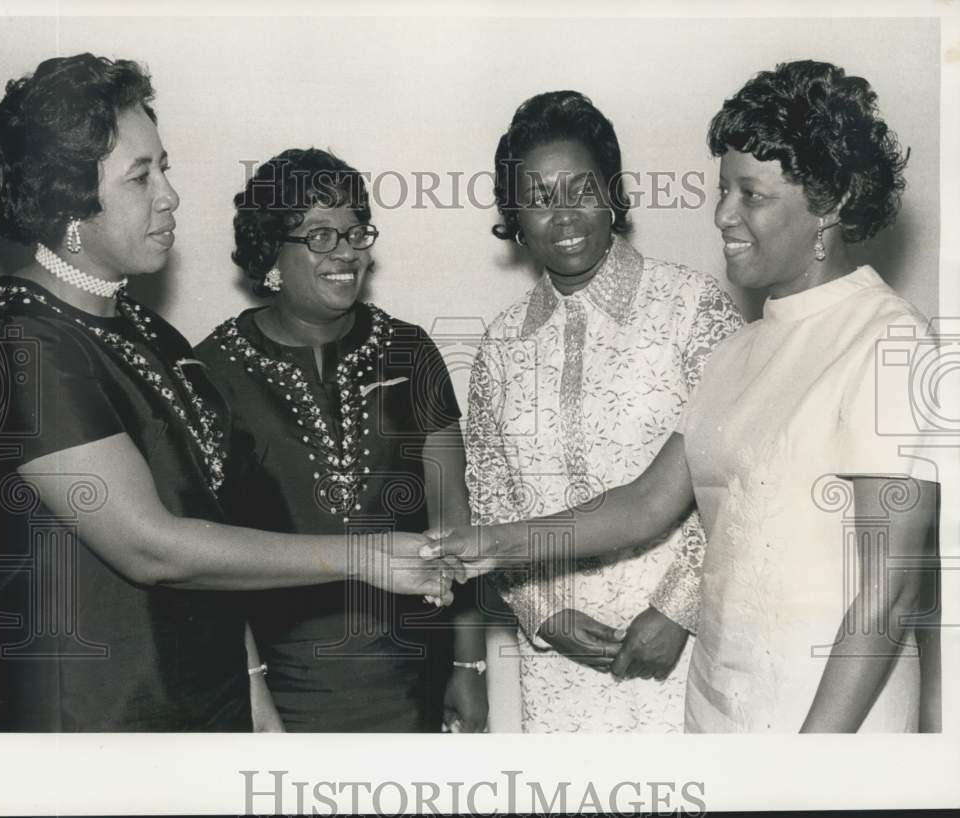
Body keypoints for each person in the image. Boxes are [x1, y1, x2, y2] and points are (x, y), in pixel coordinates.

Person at [428, 61, 940, 733]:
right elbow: (642, 505)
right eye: (722, 190)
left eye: (749, 195)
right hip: (715, 712)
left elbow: (890, 591)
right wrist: (482, 545)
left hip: (825, 724)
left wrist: (814, 764)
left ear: (831, 201)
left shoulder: (890, 341)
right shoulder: (741, 351)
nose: (722, 215)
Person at [0, 54, 455, 732]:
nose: (169, 194)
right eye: (142, 176)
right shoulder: (19, 339)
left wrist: (254, 692)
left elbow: (215, 530)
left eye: (163, 166)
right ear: (67, 202)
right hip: (98, 725)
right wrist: (364, 554)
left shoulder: (155, 334)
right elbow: (153, 547)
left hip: (206, 709)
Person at [464, 90, 743, 732]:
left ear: (613, 194)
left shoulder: (693, 308)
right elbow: (493, 502)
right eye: (537, 197)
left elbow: (735, 476)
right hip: (560, 667)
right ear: (514, 213)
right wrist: (544, 614)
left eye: (581, 189)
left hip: (687, 645)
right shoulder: (500, 344)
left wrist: (679, 608)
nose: (562, 216)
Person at [194, 148, 488, 732]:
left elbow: (454, 516)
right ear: (270, 253)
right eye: (321, 236)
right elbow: (211, 558)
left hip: (413, 678)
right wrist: (252, 696)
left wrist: (469, 660)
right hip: (283, 689)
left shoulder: (412, 350)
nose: (347, 252)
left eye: (356, 231)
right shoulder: (211, 371)